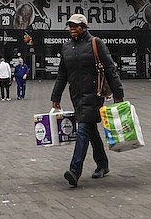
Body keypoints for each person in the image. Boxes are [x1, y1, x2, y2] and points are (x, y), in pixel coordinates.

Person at [51, 14, 124, 188]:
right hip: (76, 95)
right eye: (70, 26)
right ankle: (102, 164)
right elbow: (62, 74)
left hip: (94, 94)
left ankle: (74, 171)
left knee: (83, 128)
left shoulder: (95, 43)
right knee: (90, 130)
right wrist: (56, 97)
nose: (71, 29)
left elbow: (110, 69)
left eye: (75, 26)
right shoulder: (66, 47)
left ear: (84, 27)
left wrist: (118, 94)